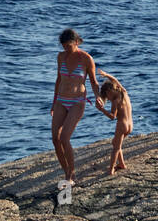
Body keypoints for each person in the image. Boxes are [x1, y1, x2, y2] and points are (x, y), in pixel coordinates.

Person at [51, 28, 101, 186]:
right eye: (64, 46)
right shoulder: (60, 57)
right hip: (60, 100)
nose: (66, 49)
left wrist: (98, 96)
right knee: (55, 139)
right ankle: (66, 170)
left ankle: (71, 176)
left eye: (69, 46)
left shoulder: (86, 59)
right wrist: (53, 103)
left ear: (77, 42)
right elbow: (58, 80)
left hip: (77, 102)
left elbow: (93, 82)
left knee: (65, 137)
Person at [95, 73, 132, 175]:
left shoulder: (115, 101)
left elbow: (112, 116)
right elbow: (115, 79)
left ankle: (111, 170)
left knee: (115, 148)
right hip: (130, 125)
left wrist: (102, 109)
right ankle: (121, 164)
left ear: (108, 92)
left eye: (107, 97)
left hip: (122, 125)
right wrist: (106, 75)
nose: (109, 99)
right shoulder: (124, 93)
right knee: (115, 143)